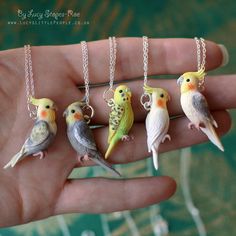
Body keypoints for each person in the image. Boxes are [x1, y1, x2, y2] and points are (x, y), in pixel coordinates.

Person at [0, 38, 233, 228]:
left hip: (112, 139)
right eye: (52, 108)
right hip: (97, 143)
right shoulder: (69, 125)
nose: (57, 110)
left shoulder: (180, 100)